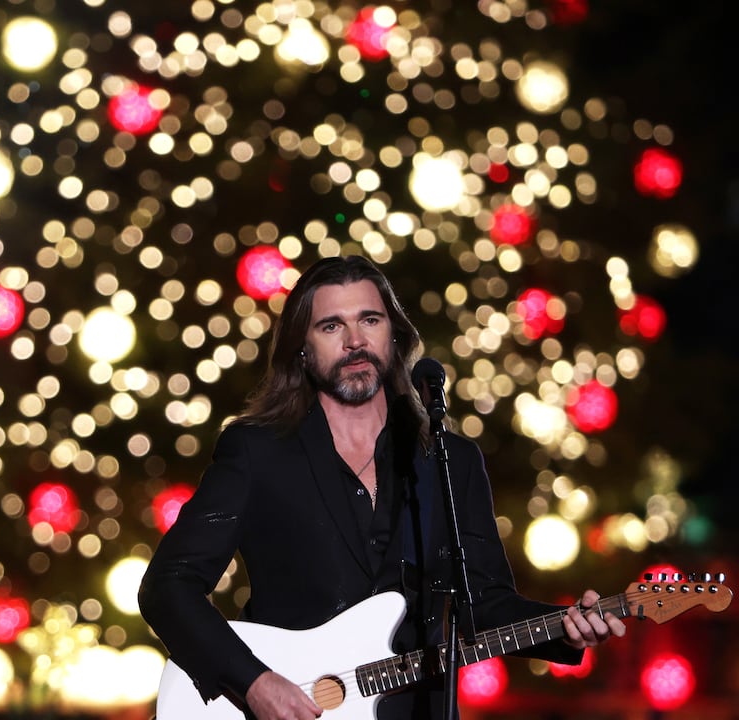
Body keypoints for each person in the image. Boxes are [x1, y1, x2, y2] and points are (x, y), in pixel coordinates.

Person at [139, 255, 625, 719]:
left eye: (370, 320)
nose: (355, 340)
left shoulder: (451, 461)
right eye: (332, 326)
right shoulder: (257, 451)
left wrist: (565, 628)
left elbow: (484, 605)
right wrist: (254, 682)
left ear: (394, 336)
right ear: (302, 349)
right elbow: (168, 586)